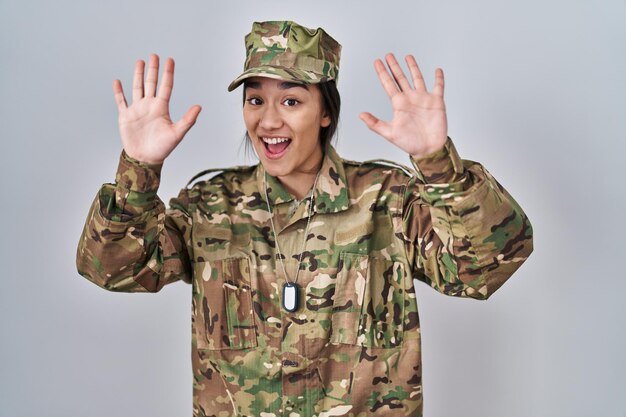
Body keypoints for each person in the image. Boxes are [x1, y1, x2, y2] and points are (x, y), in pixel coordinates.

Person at [76, 20, 533, 417]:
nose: (268, 121)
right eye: (255, 100)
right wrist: (138, 169)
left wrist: (436, 162)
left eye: (291, 101)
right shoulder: (210, 207)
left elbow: (483, 268)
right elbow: (111, 268)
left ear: (326, 113)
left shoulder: (385, 201)